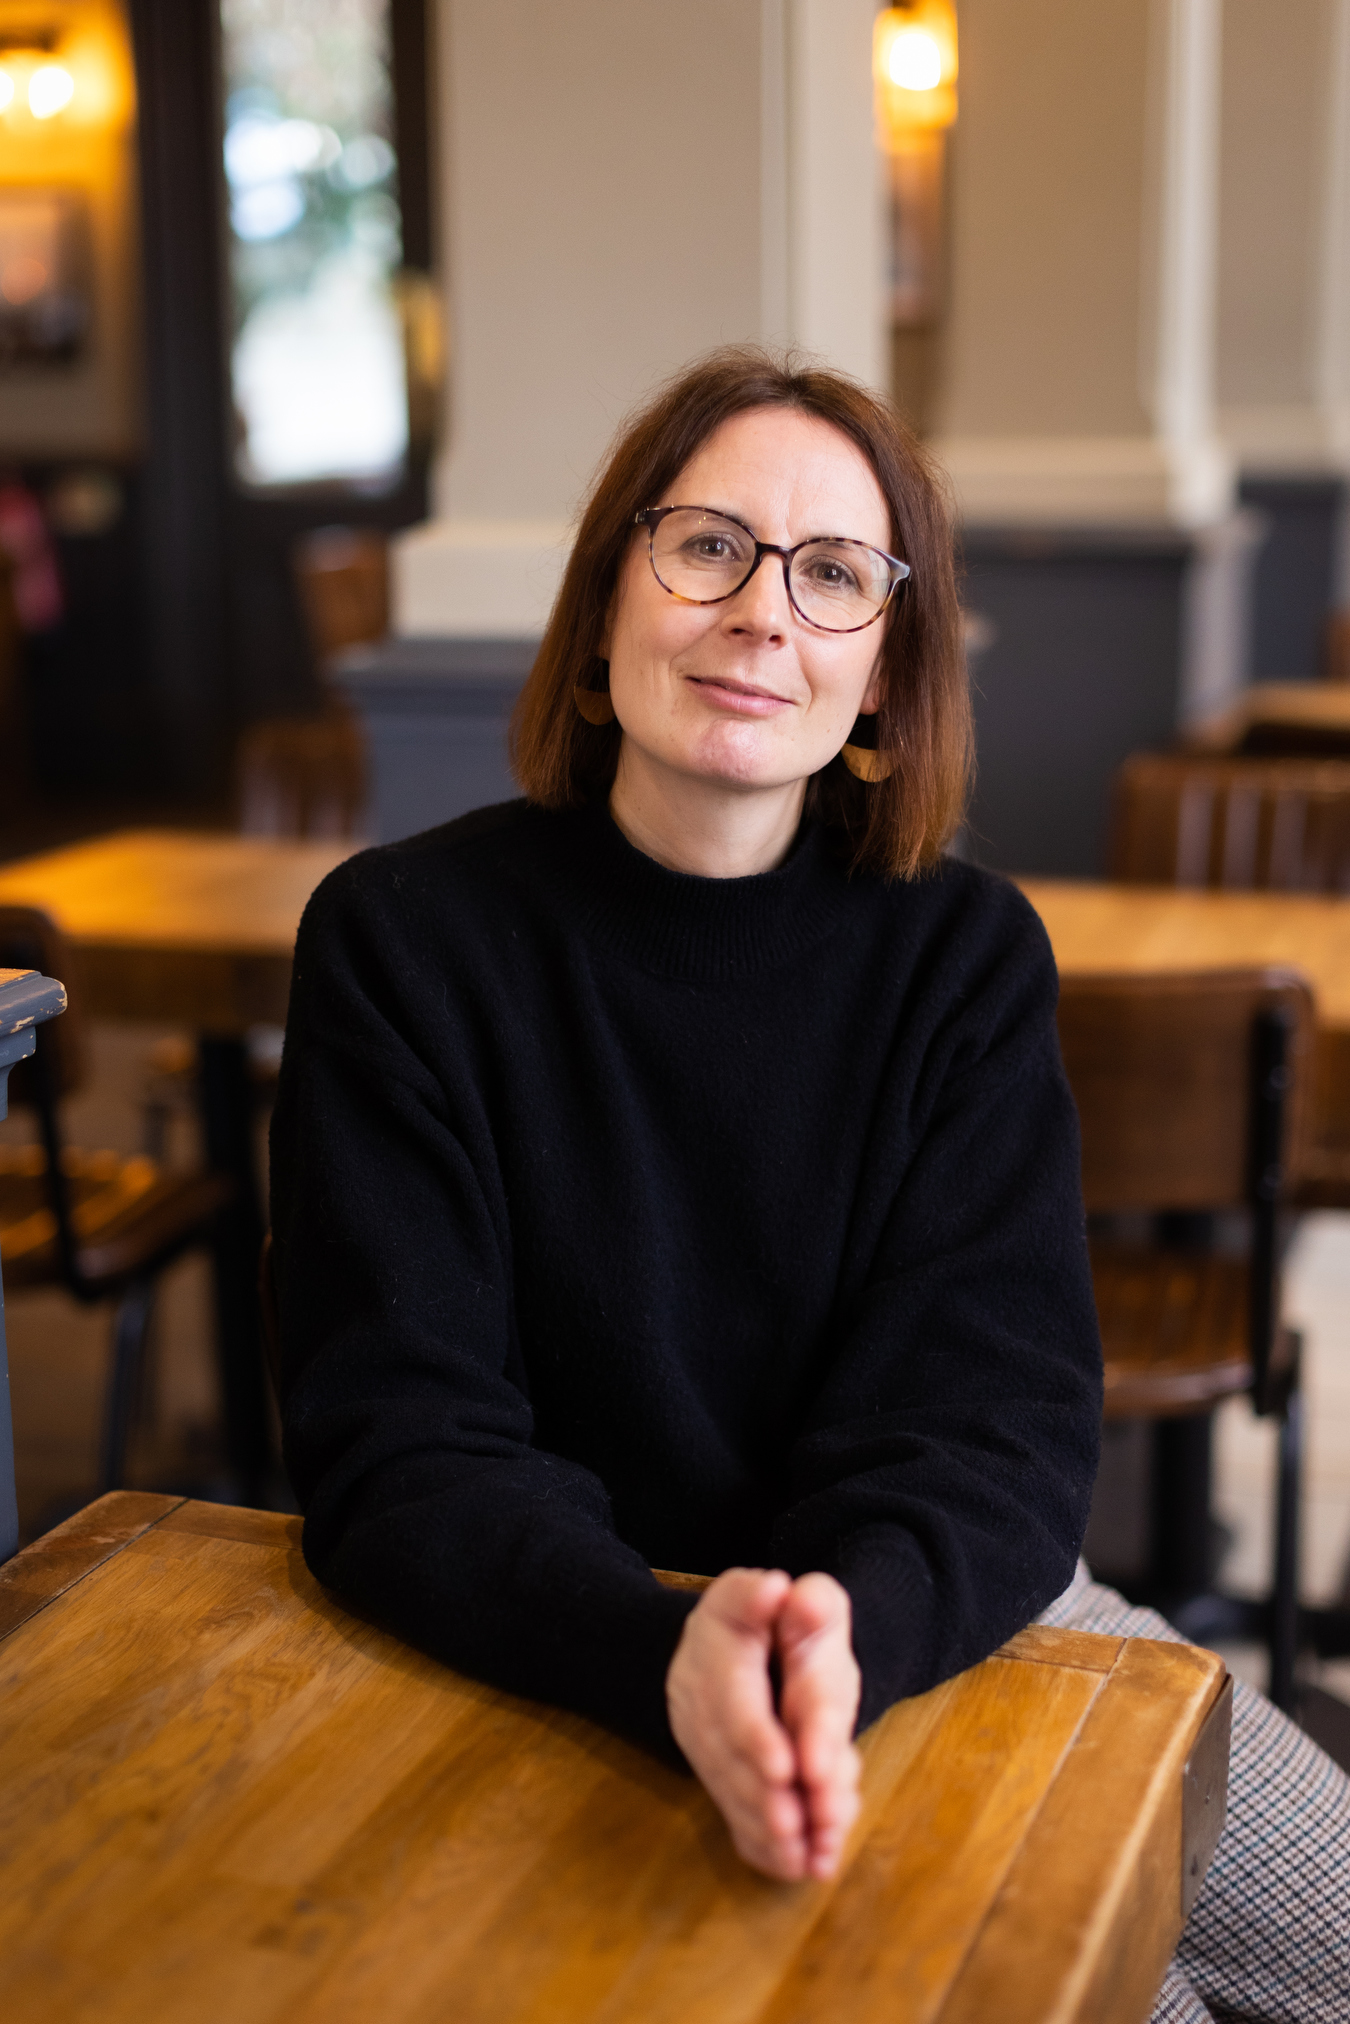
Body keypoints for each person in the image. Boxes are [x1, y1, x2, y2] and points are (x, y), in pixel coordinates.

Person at [271, 348, 1348, 2021]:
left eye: (833, 574)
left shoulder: (961, 958)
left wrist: (848, 1633)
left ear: (883, 676)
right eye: (707, 546)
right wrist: (663, 1652)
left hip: (942, 1617)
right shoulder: (403, 943)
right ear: (606, 603)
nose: (761, 615)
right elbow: (400, 1445)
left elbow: (997, 1430)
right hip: (560, 1646)